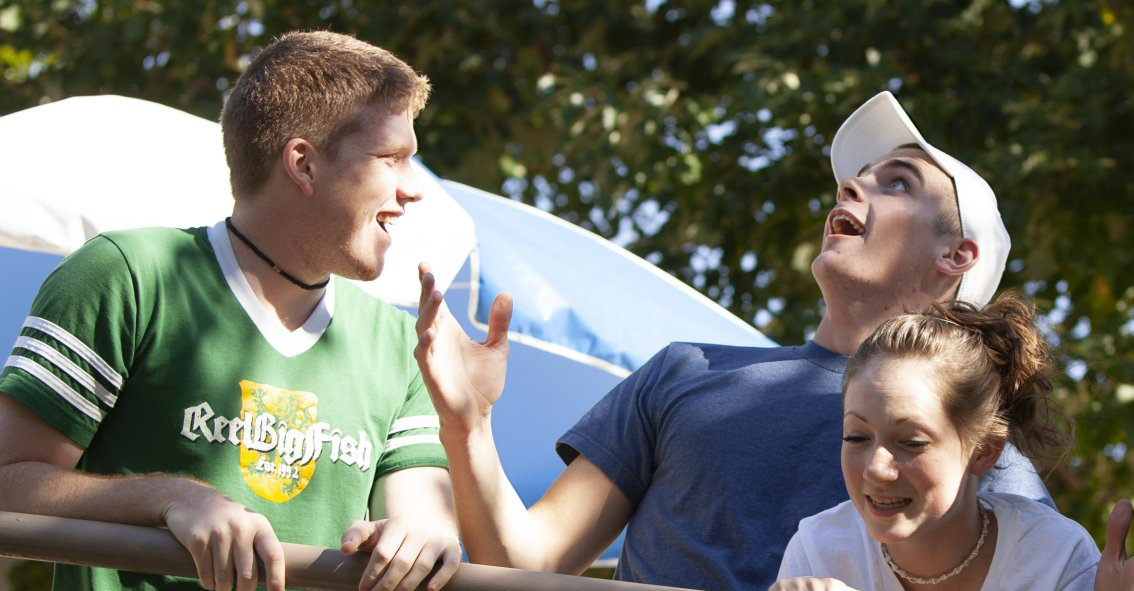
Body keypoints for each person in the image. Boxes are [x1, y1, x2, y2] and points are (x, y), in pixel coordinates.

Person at [412, 91, 1053, 590]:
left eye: (898, 183)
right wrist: (468, 427)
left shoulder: (978, 454)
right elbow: (522, 563)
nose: (850, 186)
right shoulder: (683, 371)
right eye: (857, 177)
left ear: (957, 254)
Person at [0, 31, 461, 591]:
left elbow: (425, 519)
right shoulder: (127, 275)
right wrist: (170, 498)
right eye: (392, 159)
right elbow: (7, 481)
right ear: (304, 165)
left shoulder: (398, 342)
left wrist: (424, 538)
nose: (413, 189)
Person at [771, 294, 1134, 591]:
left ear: (985, 450)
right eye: (857, 436)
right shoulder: (818, 548)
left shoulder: (1055, 558)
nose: (876, 467)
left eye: (911, 442)